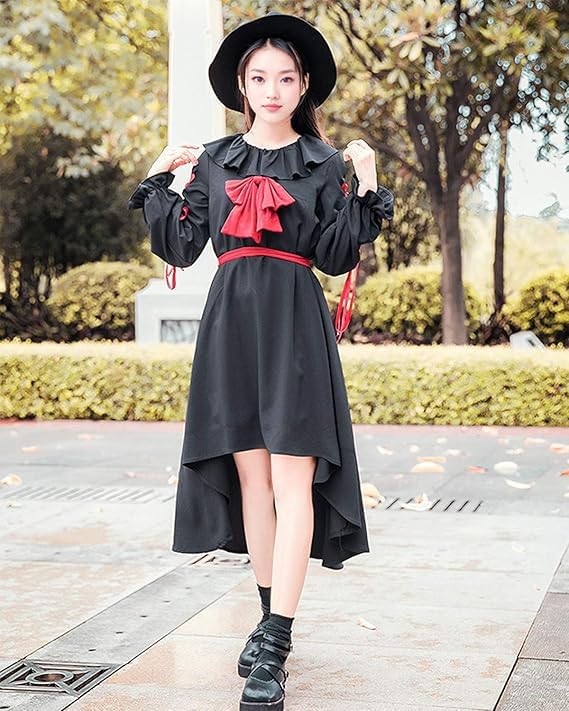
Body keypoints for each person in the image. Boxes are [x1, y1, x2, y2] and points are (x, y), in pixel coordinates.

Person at [127, 10, 394, 711]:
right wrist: (158, 178)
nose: (271, 90)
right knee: (253, 478)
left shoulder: (323, 164)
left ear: (303, 86)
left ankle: (276, 638)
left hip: (295, 325)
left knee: (292, 476)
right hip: (231, 327)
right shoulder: (215, 161)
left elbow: (334, 254)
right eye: (259, 78)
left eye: (284, 78)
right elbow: (182, 246)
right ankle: (269, 613)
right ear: (242, 87)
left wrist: (365, 179)